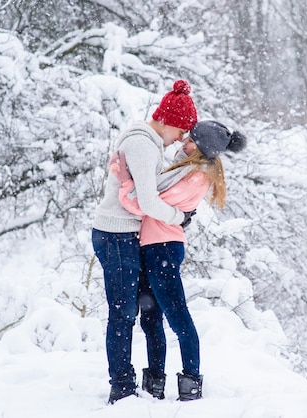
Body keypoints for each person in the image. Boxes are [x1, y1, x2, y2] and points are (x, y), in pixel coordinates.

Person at [109, 120, 247, 401]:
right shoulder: (183, 169)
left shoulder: (197, 176)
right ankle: (154, 382)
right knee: (151, 319)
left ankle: (190, 383)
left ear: (203, 149)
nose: (184, 143)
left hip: (163, 248)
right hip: (151, 246)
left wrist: (125, 182)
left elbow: (145, 202)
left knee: (178, 317)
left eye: (191, 141)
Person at [91, 80, 199, 404]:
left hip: (127, 235)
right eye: (181, 130)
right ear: (167, 120)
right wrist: (180, 217)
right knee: (123, 313)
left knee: (132, 313)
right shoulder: (141, 143)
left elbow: (154, 185)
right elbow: (149, 201)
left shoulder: (150, 144)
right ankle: (121, 388)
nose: (181, 137)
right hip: (116, 234)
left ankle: (128, 383)